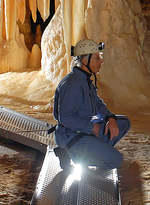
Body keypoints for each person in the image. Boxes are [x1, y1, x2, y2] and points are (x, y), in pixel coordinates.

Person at [52, 39, 130, 171]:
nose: (101, 61)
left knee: (123, 123)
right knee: (116, 160)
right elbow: (66, 118)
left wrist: (109, 118)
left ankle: (97, 149)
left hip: (83, 131)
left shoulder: (84, 80)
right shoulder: (73, 84)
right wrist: (92, 127)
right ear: (85, 61)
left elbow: (97, 104)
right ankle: (70, 154)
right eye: (97, 58)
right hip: (71, 136)